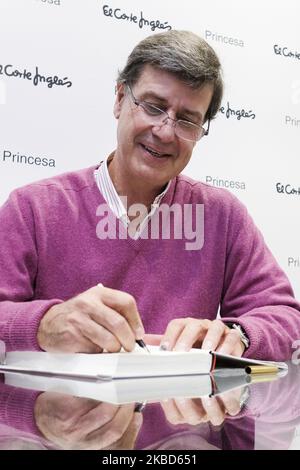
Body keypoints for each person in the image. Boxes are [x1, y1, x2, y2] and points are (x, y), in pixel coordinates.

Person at [0, 30, 299, 359]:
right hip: (52, 408)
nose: (165, 132)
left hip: (184, 408)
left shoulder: (222, 216)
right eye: (154, 107)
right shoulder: (32, 209)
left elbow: (286, 319)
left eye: (187, 120)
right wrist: (43, 324)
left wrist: (238, 334)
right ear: (119, 99)